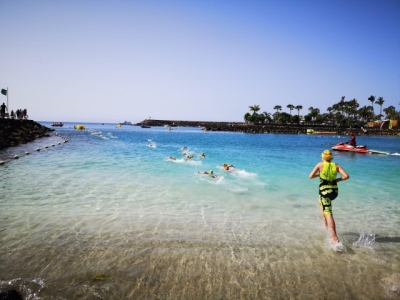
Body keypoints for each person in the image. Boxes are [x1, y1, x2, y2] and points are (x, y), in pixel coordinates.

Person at [309, 149, 349, 244]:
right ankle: (324, 224)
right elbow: (346, 176)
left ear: (322, 157)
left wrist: (319, 175)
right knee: (320, 202)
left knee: (329, 213)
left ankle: (335, 238)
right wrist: (336, 180)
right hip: (334, 192)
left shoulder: (320, 165)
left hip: (325, 192)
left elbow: (310, 176)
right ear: (331, 157)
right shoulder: (336, 165)